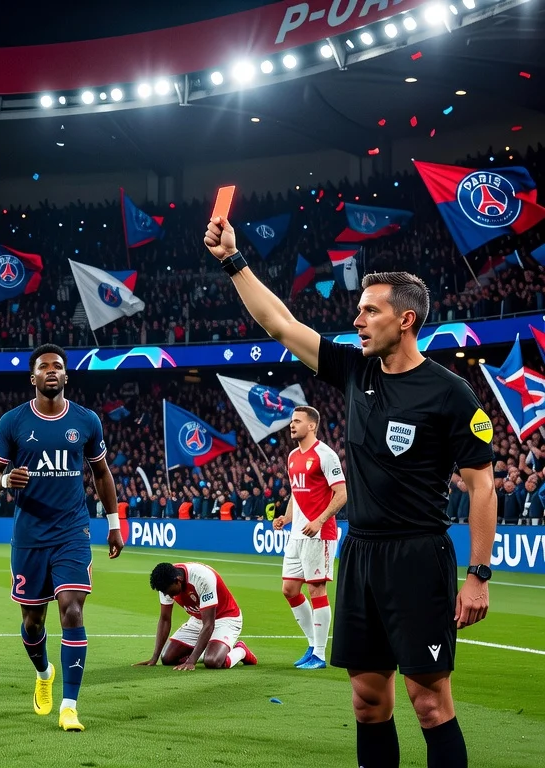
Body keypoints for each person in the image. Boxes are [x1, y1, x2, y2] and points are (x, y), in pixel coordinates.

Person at [205, 217, 495, 768]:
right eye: (358, 309)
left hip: (418, 554)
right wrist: (233, 261)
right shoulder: (353, 369)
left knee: (429, 702)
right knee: (367, 702)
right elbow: (281, 324)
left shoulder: (449, 393)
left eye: (370, 310)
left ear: (405, 319)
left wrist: (478, 576)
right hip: (359, 553)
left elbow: (482, 487)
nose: (356, 319)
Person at [0, 343, 124, 731]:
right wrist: (7, 478)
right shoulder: (12, 422)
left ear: (66, 375)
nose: (50, 371)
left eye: (57, 366)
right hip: (29, 534)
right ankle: (44, 673)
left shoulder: (86, 420)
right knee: (32, 621)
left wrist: (113, 522)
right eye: (43, 366)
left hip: (72, 531)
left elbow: (101, 474)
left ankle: (69, 705)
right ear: (33, 378)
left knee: (72, 609)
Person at [271, 405, 346, 670]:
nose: (292, 425)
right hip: (297, 534)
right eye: (292, 421)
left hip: (319, 533)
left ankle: (320, 654)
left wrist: (320, 520)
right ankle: (312, 645)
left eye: (297, 421)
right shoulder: (292, 456)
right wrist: (286, 517)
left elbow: (341, 494)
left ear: (311, 425)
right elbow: (296, 492)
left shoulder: (325, 455)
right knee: (289, 589)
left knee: (316, 589)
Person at [134, 562, 257, 670]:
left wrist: (191, 661)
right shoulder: (166, 583)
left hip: (225, 618)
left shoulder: (202, 578)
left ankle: (241, 650)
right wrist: (154, 658)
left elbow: (209, 624)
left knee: (213, 661)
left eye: (171, 593)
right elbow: (165, 619)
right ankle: (210, 649)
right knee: (167, 658)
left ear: (178, 580)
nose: (170, 596)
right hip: (198, 619)